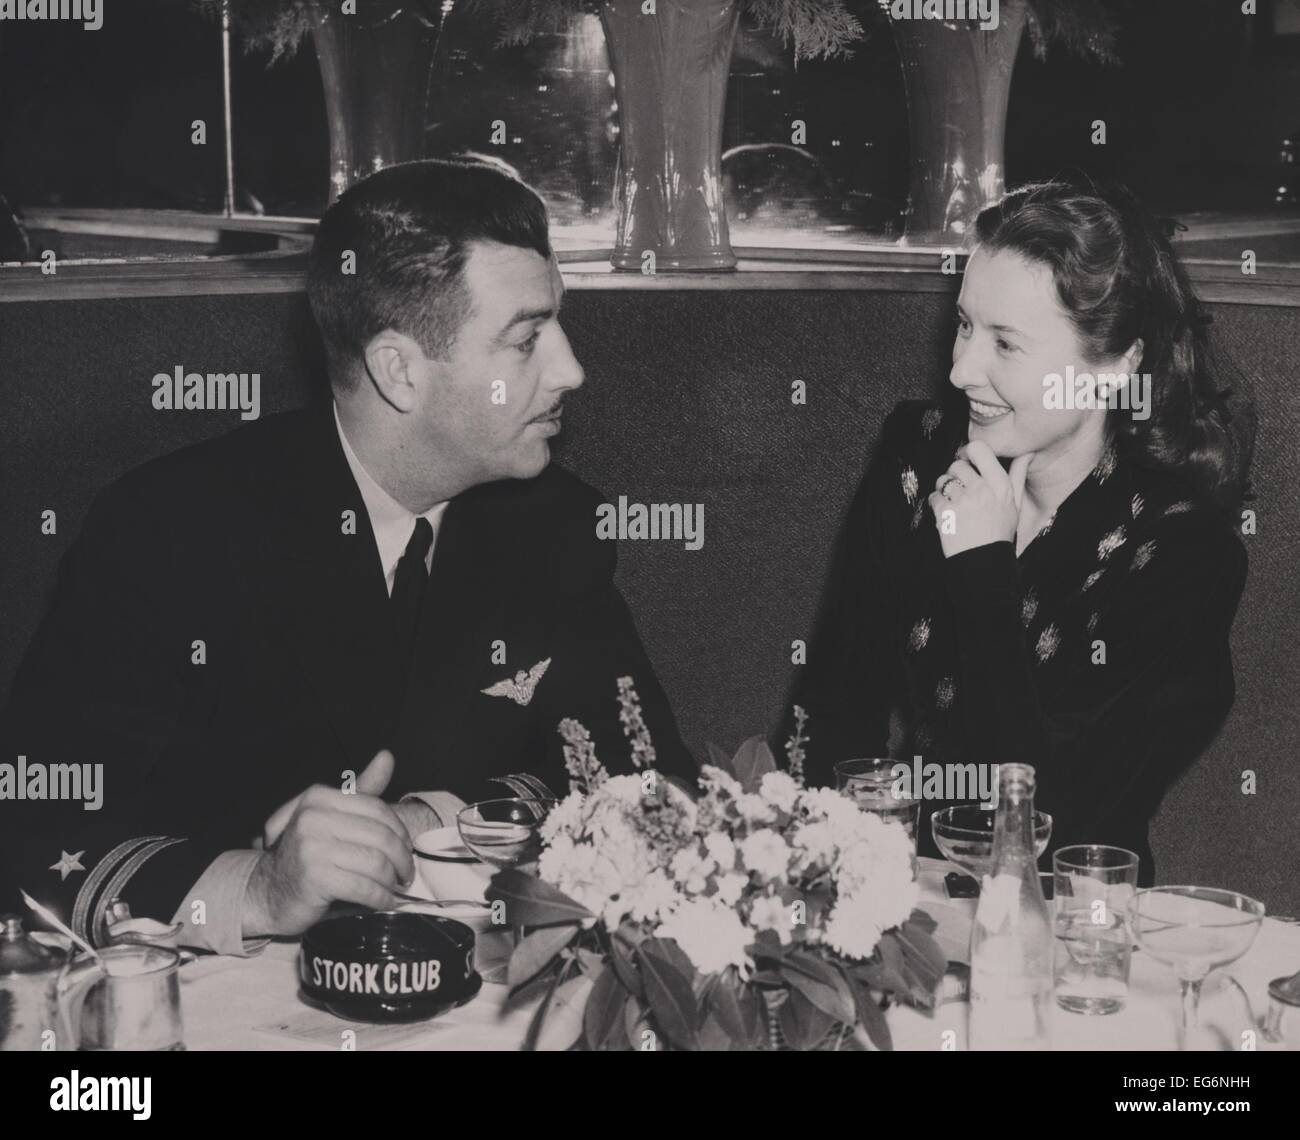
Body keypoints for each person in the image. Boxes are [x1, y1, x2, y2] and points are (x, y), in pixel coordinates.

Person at [1, 158, 694, 951]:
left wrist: (430, 822)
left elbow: (646, 781)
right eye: (527, 338)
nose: (571, 369)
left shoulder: (553, 524)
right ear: (400, 371)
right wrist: (257, 891)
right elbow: (34, 831)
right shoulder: (170, 531)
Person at [781, 180, 1254, 885]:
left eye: (1006, 343)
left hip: (1073, 924)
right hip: (911, 894)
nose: (960, 368)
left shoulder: (1183, 555)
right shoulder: (920, 452)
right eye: (966, 326)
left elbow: (1055, 824)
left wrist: (982, 571)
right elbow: (833, 706)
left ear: (1116, 367)